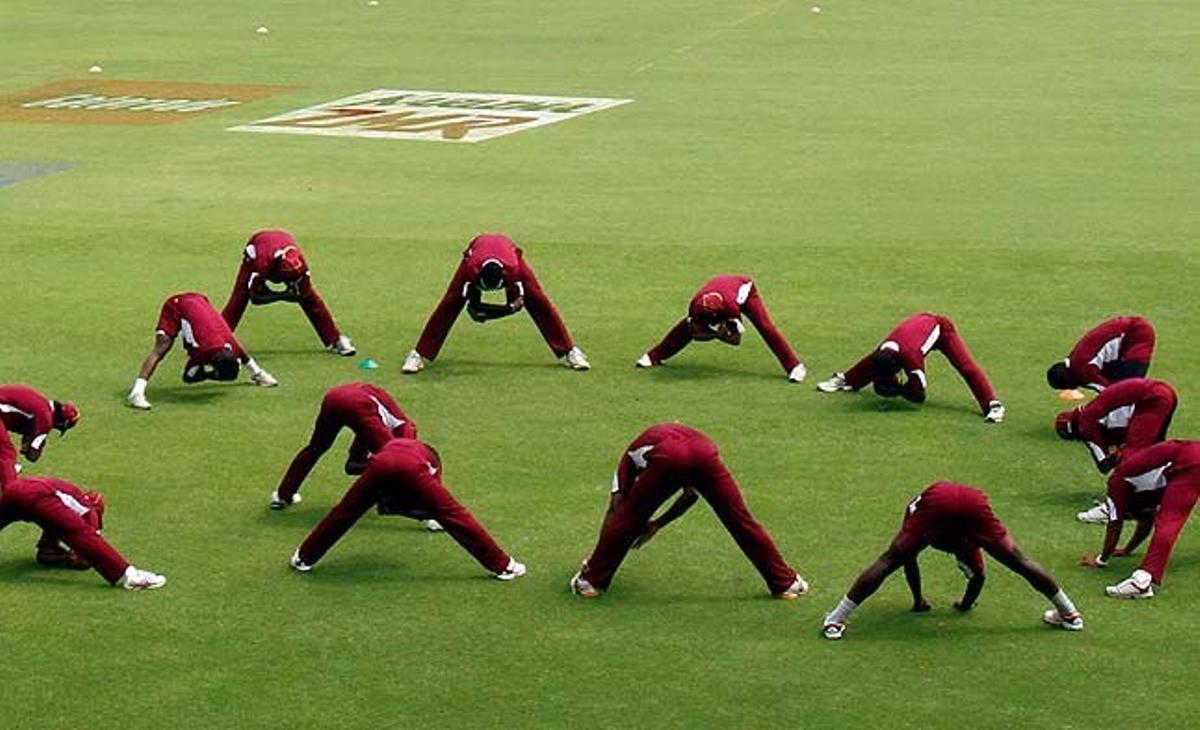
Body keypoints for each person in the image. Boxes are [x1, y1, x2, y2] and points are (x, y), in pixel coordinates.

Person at [570, 423, 808, 599]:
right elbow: (690, 495)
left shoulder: (628, 460)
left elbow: (617, 509)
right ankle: (786, 584)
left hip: (669, 454)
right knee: (741, 521)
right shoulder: (654, 444)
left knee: (627, 517)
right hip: (705, 452)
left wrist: (596, 556)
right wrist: (657, 524)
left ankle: (590, 581)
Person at [822, 482, 1083, 640]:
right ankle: (1070, 614)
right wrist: (959, 605)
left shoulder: (920, 521)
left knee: (889, 560)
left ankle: (836, 620)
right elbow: (979, 577)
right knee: (1019, 560)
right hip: (973, 501)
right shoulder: (970, 542)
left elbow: (906, 560)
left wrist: (918, 601)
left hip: (938, 500)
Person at [289, 438, 525, 580]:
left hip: (379, 464)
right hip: (410, 467)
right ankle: (503, 565)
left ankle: (304, 557)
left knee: (344, 513)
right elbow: (442, 510)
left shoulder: (398, 443)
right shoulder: (432, 462)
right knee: (456, 516)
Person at [401, 233, 590, 373]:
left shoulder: (514, 270)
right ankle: (418, 354)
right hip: (477, 251)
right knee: (450, 302)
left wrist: (507, 308)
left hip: (508, 253)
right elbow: (474, 309)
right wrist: (491, 310)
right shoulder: (470, 270)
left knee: (539, 300)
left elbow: (518, 303)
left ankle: (570, 351)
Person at [816, 312, 1005, 422]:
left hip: (941, 329)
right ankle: (845, 381)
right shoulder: (883, 350)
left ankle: (993, 405)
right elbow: (869, 365)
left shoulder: (911, 357)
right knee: (870, 367)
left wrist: (899, 389)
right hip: (918, 326)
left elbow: (919, 396)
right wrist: (850, 380)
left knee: (966, 367)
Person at [270, 382, 419, 511]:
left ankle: (283, 495)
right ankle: (425, 510)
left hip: (334, 397)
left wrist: (357, 457)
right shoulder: (404, 432)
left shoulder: (393, 423)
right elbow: (400, 464)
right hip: (358, 405)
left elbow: (364, 431)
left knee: (316, 446)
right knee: (392, 463)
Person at [1080, 440, 1200, 599]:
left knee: (1169, 521)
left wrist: (1101, 560)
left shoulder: (1117, 483)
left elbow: (1115, 525)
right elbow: (1146, 518)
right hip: (1189, 454)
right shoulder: (1138, 483)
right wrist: (1127, 549)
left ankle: (1141, 582)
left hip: (1189, 461)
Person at [0, 475, 166, 589]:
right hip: (38, 495)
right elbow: (87, 542)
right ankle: (129, 576)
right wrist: (73, 558)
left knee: (56, 522)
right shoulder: (90, 511)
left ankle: (49, 547)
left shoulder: (69, 499)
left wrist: (52, 551)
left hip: (14, 489)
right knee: (78, 532)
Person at [634, 274, 807, 382]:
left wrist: (717, 334)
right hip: (722, 287)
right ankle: (653, 356)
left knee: (765, 327)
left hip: (745, 290)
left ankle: (795, 366)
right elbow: (695, 334)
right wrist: (714, 333)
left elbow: (736, 340)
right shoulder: (695, 305)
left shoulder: (730, 308)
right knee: (683, 328)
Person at [126, 292, 278, 410]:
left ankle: (260, 376)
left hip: (200, 300)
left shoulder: (230, 343)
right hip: (175, 306)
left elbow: (243, 355)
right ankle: (136, 393)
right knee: (162, 347)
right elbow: (188, 377)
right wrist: (209, 375)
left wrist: (259, 373)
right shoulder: (202, 351)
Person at [220, 229, 356, 356]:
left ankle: (336, 339)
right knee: (239, 298)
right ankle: (219, 341)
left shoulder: (301, 266)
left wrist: (297, 293)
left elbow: (304, 294)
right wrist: (283, 295)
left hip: (280, 244)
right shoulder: (260, 265)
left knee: (312, 300)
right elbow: (256, 298)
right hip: (257, 247)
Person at [0, 385, 84, 564]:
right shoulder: (45, 417)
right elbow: (32, 455)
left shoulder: (41, 405)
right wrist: (38, 441)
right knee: (7, 455)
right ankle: (11, 495)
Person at [1056, 378, 1177, 475]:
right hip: (1163, 392)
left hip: (1152, 400)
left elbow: (1103, 464)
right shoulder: (1094, 412)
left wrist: (1114, 458)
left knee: (1134, 455)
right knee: (1153, 449)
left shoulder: (1087, 422)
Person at [1046, 316, 1155, 393]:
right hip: (1130, 328)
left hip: (1138, 335)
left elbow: (1108, 392)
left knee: (1128, 389)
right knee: (1120, 383)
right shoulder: (1074, 360)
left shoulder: (1083, 371)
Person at [0, 385, 81, 463]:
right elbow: (32, 455)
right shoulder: (46, 419)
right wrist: (39, 443)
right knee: (7, 455)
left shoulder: (42, 403)